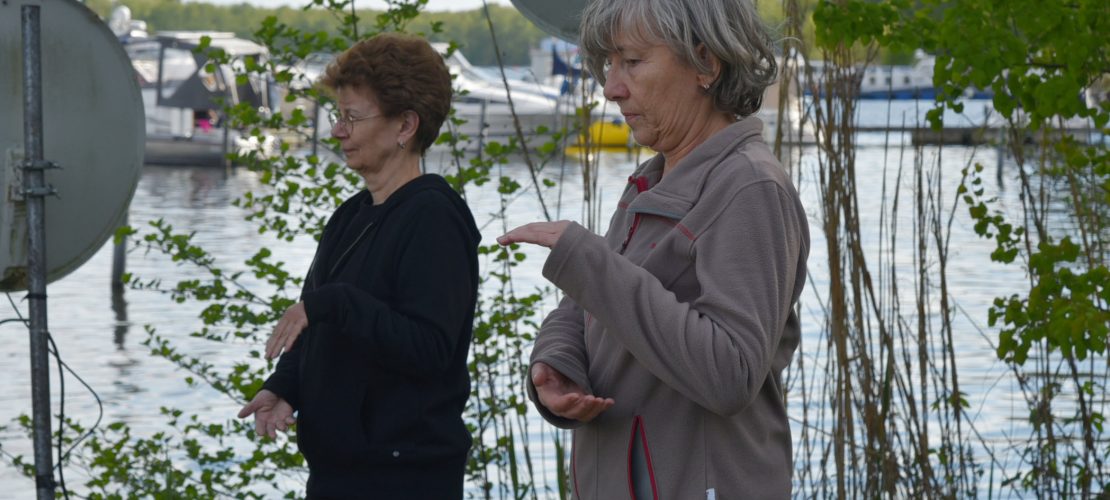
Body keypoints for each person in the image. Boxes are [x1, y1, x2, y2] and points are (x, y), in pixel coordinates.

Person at [496, 0, 809, 498]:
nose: (611, 88)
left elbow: (730, 373)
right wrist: (555, 364)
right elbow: (589, 305)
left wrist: (586, 259)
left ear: (706, 63)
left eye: (633, 62)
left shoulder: (748, 187)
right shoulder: (654, 179)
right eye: (608, 65)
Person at [237, 33, 480, 498]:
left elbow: (429, 349)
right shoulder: (350, 215)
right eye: (337, 115)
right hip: (337, 476)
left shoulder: (434, 217)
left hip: (404, 478)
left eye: (352, 117)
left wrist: (335, 301)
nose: (336, 130)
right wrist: (285, 387)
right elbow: (319, 330)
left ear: (405, 125)